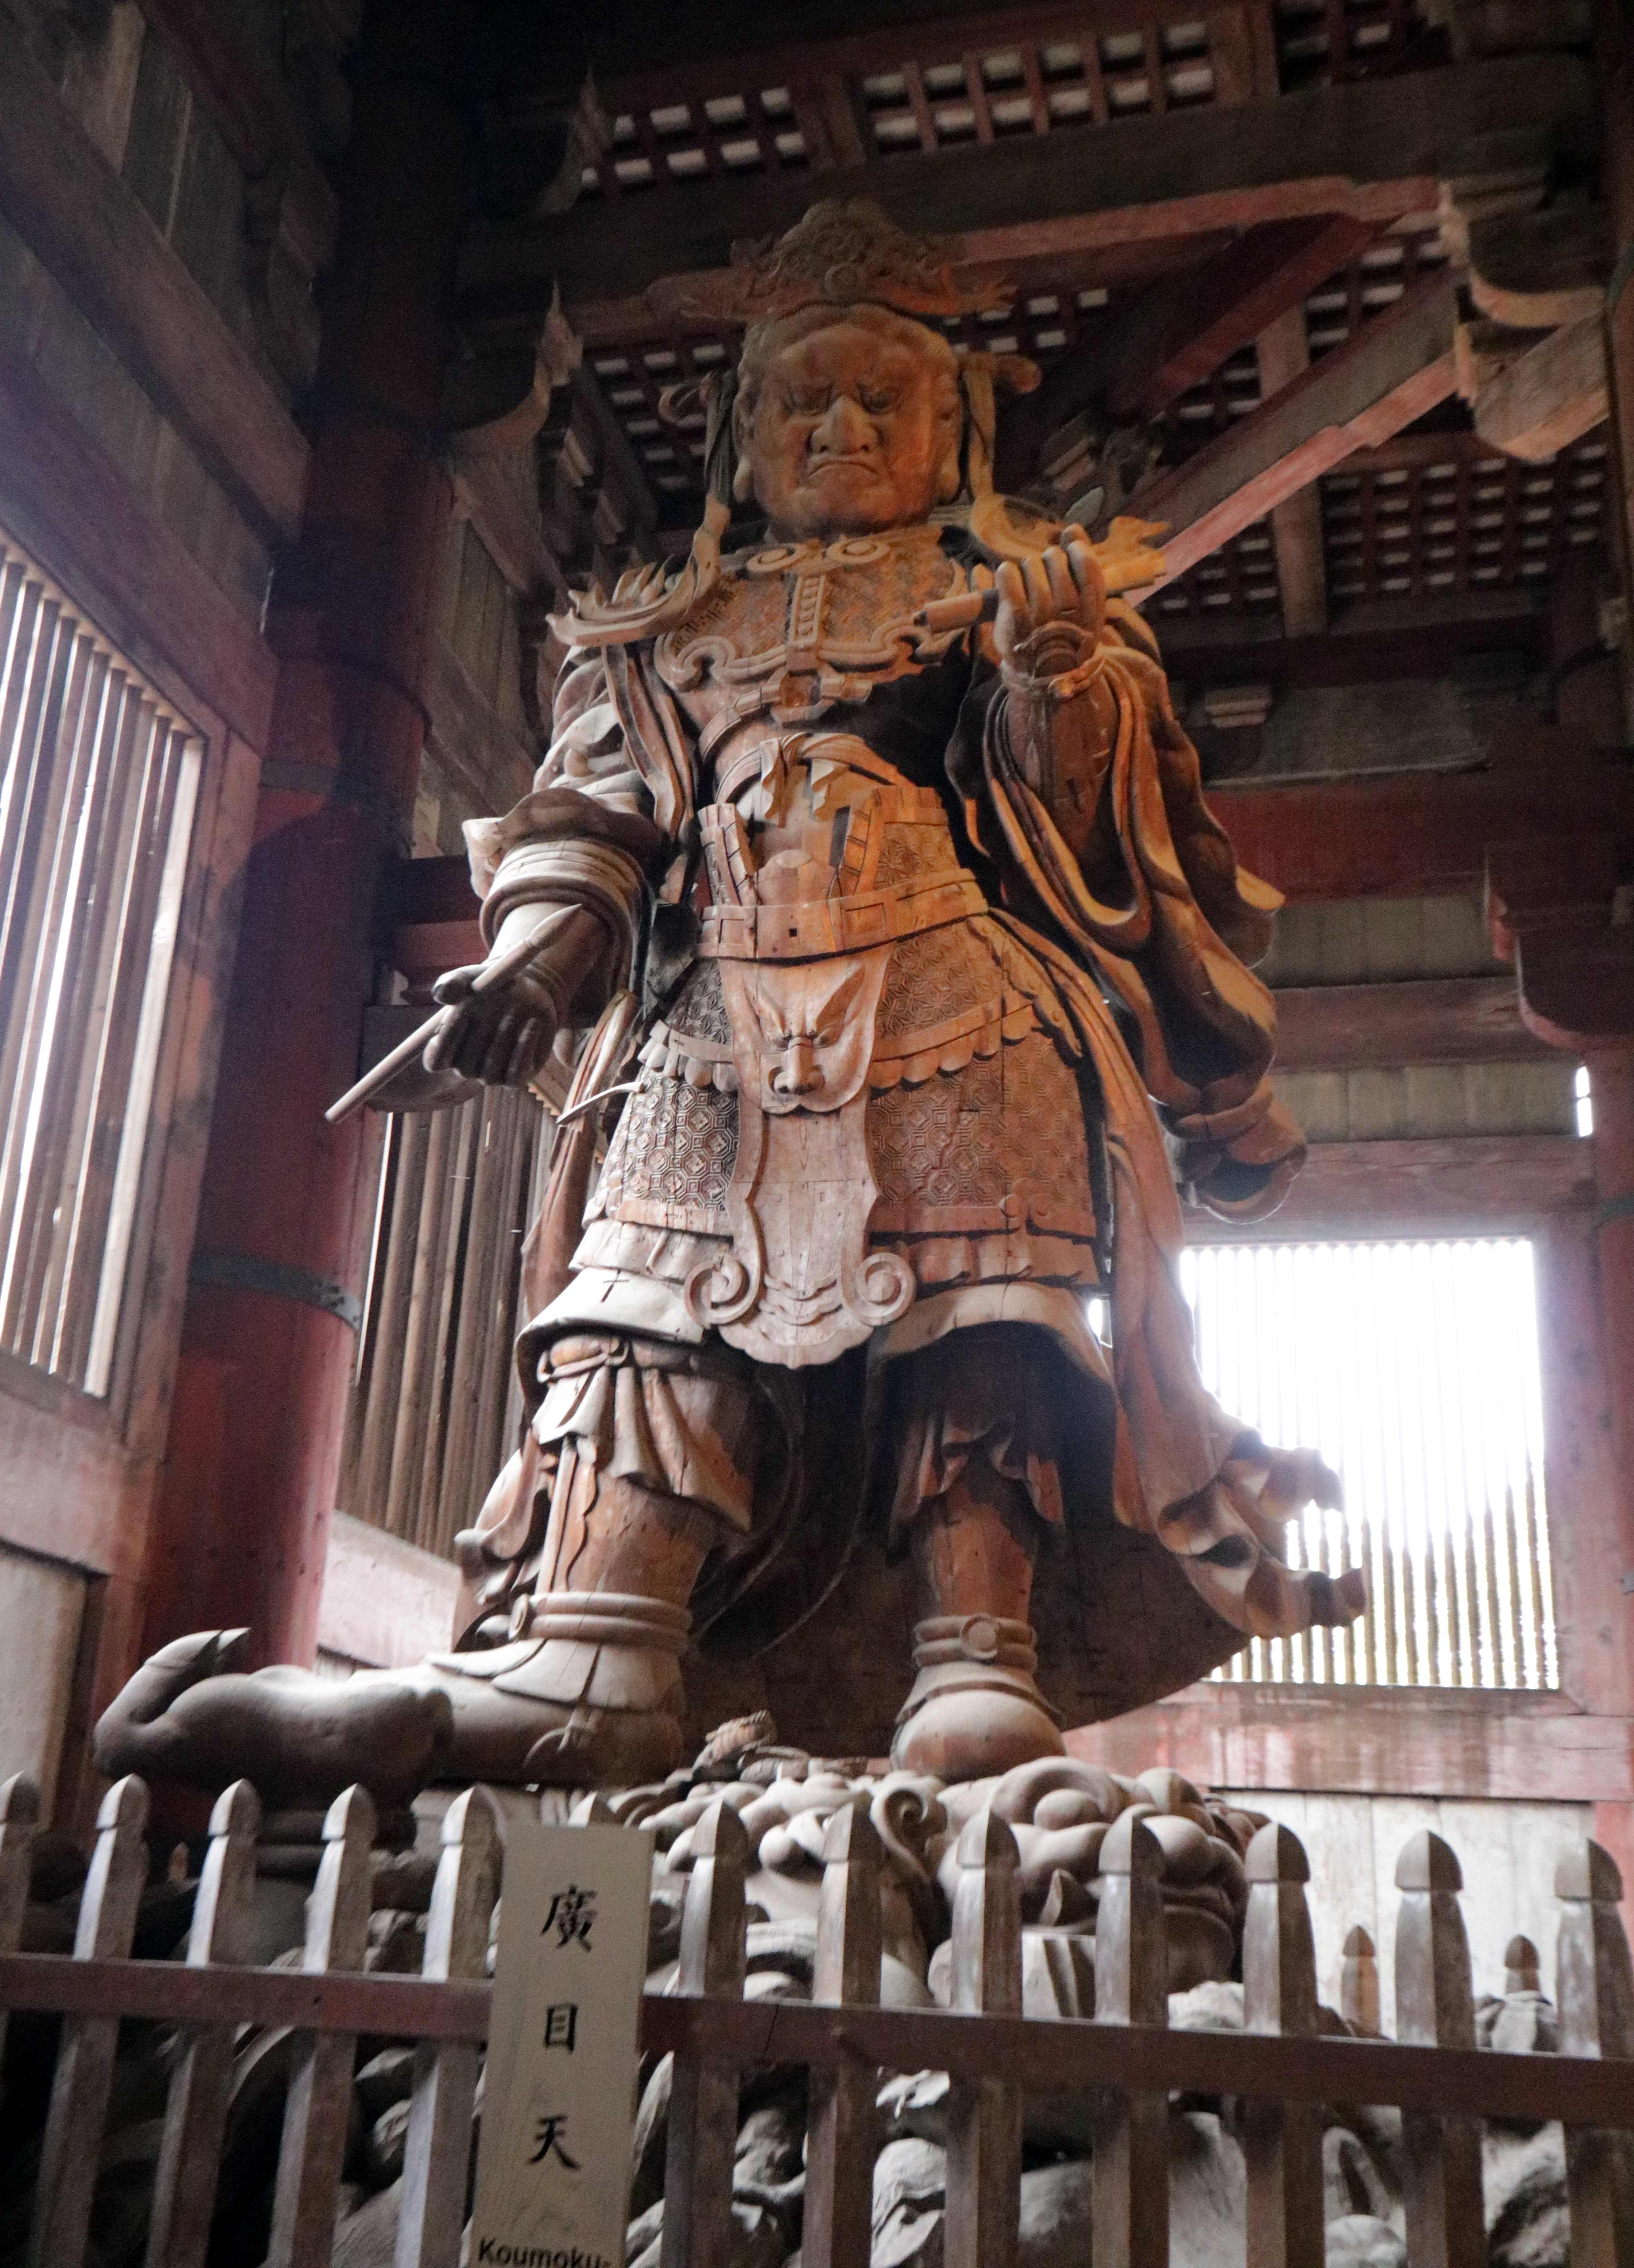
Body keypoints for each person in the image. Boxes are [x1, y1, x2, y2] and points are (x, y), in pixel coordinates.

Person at [97, 202, 1361, 1803]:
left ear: (956, 426)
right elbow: (590, 817)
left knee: (981, 1308)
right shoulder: (656, 633)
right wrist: (536, 966)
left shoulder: (1019, 590)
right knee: (641, 1302)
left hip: (958, 1007)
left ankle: (977, 1651)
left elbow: (1091, 838)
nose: (840, 428)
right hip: (708, 1019)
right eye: (802, 399)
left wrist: (1055, 683)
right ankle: (597, 1642)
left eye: (881, 398)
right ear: (737, 433)